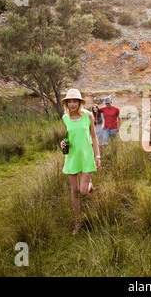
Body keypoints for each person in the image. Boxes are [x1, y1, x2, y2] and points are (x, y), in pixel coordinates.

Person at [60, 89, 101, 235]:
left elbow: (94, 137)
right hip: (71, 157)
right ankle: (77, 223)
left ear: (79, 102)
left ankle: (90, 187)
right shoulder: (65, 118)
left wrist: (98, 156)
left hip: (86, 156)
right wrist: (63, 144)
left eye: (74, 101)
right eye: (69, 102)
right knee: (75, 191)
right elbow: (69, 136)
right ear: (66, 103)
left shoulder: (88, 116)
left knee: (83, 191)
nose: (72, 104)